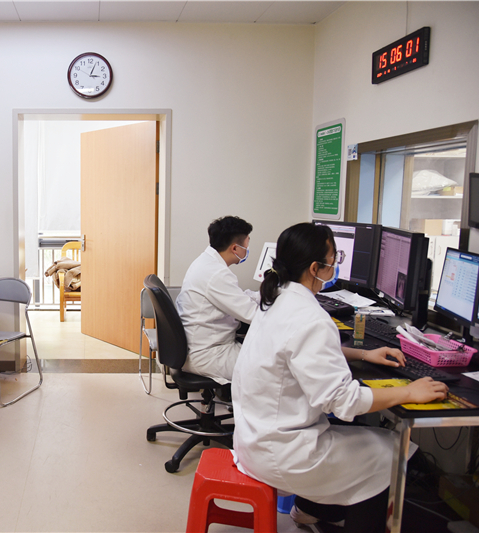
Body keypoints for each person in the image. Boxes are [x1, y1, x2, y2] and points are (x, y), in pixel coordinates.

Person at [232, 222, 448, 532]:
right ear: (315, 268)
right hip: (283, 454)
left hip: (254, 441)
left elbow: (295, 351)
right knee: (391, 450)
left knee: (363, 438)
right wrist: (409, 392)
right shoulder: (310, 318)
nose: (335, 265)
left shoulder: (276, 300)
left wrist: (363, 354)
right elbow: (343, 402)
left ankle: (310, 510)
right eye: (334, 258)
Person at [175, 215, 259, 384]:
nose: (247, 250)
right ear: (235, 248)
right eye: (247, 245)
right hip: (209, 354)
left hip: (199, 346)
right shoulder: (217, 274)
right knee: (272, 366)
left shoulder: (206, 262)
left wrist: (263, 294)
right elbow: (254, 315)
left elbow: (236, 296)